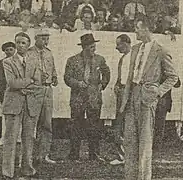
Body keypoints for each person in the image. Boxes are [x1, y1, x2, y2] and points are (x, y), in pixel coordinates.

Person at [119, 18, 178, 180]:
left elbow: (173, 77)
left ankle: (144, 177)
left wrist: (158, 92)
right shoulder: (135, 49)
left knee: (145, 142)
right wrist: (125, 100)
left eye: (137, 28)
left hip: (148, 98)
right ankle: (129, 176)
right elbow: (131, 76)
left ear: (146, 29)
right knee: (130, 141)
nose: (135, 32)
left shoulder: (161, 50)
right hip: (133, 97)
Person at [2, 32, 44, 179]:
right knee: (11, 138)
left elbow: (38, 82)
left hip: (30, 104)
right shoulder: (7, 62)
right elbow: (12, 83)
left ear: (28, 45)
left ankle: (27, 168)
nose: (20, 45)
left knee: (28, 137)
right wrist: (29, 81)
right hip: (13, 104)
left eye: (24, 43)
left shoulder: (34, 60)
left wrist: (27, 84)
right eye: (18, 42)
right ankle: (8, 171)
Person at [64, 33, 110, 161]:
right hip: (78, 98)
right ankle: (74, 154)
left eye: (94, 47)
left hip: (93, 98)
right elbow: (67, 78)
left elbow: (106, 73)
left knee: (94, 126)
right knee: (76, 125)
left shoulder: (100, 59)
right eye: (91, 47)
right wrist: (78, 83)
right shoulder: (72, 60)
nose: (93, 50)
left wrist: (103, 84)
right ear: (84, 48)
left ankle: (94, 154)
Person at [28, 28, 58, 165]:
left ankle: (43, 154)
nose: (45, 41)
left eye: (47, 38)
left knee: (46, 123)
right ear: (36, 38)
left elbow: (53, 69)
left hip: (47, 89)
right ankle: (29, 155)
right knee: (31, 123)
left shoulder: (49, 53)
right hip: (35, 90)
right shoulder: (29, 53)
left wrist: (54, 77)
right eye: (42, 38)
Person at [109, 34, 132, 166]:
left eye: (119, 44)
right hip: (122, 92)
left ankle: (128, 155)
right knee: (119, 123)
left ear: (126, 43)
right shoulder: (123, 59)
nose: (117, 47)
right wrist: (117, 85)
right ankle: (121, 154)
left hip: (130, 93)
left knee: (127, 123)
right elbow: (120, 77)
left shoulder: (135, 58)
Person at [0, 42, 16, 146]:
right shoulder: (0, 63)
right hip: (4, 92)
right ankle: (4, 138)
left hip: (17, 92)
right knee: (5, 116)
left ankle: (17, 137)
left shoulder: (19, 61)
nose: (9, 52)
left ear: (15, 50)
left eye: (11, 49)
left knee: (16, 115)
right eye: (7, 50)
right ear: (4, 51)